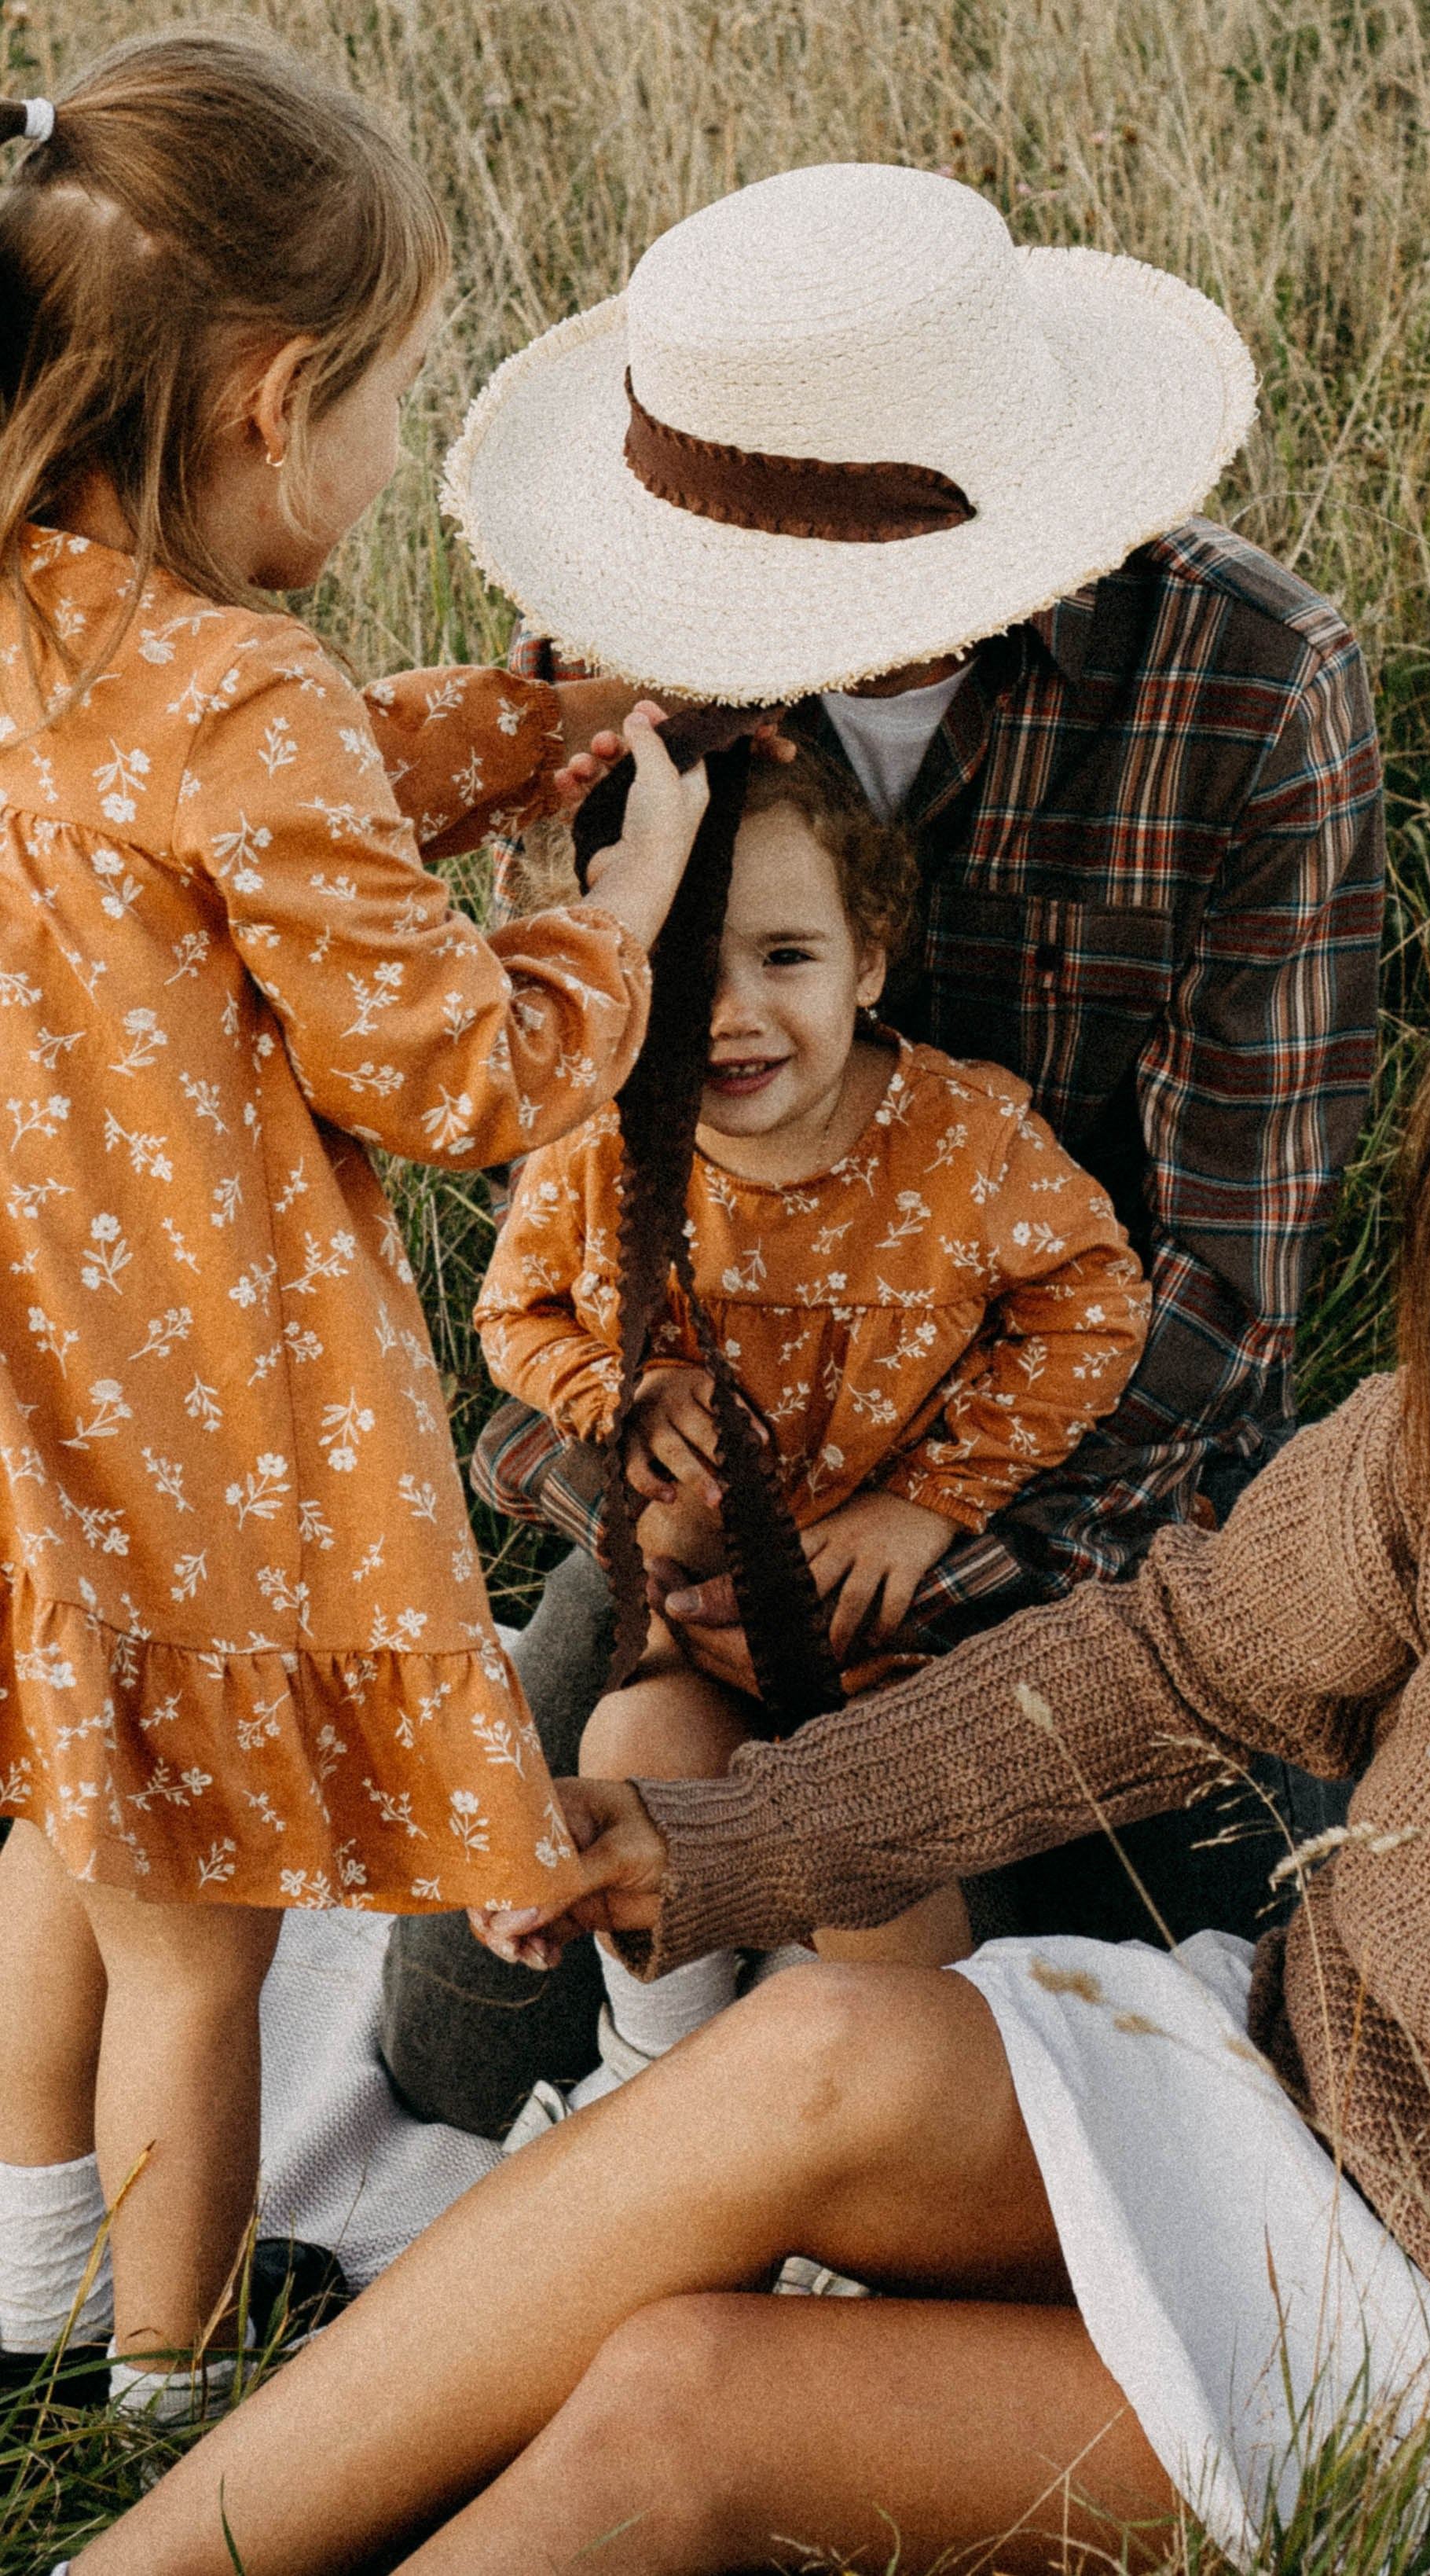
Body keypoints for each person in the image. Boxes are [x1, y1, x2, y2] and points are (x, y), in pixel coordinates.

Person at [72, 947, 1430, 2576]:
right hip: (1284, 2080)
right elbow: (1170, 1658)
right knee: (815, 2043)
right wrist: (707, 1839)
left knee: (683, 2402)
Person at [383, 159, 1385, 2135]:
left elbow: (1224, 1293)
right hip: (719, 1483)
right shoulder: (628, 677)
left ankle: (841, 2142)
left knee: (1183, 2039)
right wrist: (645, 1512)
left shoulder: (1252, 687)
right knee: (459, 2040)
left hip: (1082, 1499)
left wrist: (936, 1549)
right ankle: (681, 2116)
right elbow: (565, 1205)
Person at [0, 35, 708, 2416]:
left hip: (28, 1418)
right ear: (272, 399)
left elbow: (283, 788)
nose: (403, 455)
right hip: (193, 1439)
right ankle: (168, 2403)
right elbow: (459, 1071)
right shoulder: (243, 689)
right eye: (398, 401)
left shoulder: (46, 637)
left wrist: (515, 725)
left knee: (63, 1852)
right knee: (206, 1951)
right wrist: (610, 904)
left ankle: (18, 2299)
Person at [473, 748, 1147, 2095]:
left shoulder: (959, 1143)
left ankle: (881, 2127)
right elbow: (516, 1311)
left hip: (875, 1640)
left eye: (787, 958)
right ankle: (657, 2080)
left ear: (869, 963)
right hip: (696, 1611)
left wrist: (932, 1502)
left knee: (860, 1853)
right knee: (627, 1755)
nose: (731, 1014)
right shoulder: (602, 1139)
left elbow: (1095, 1304)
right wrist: (620, 1392)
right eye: (682, 969)